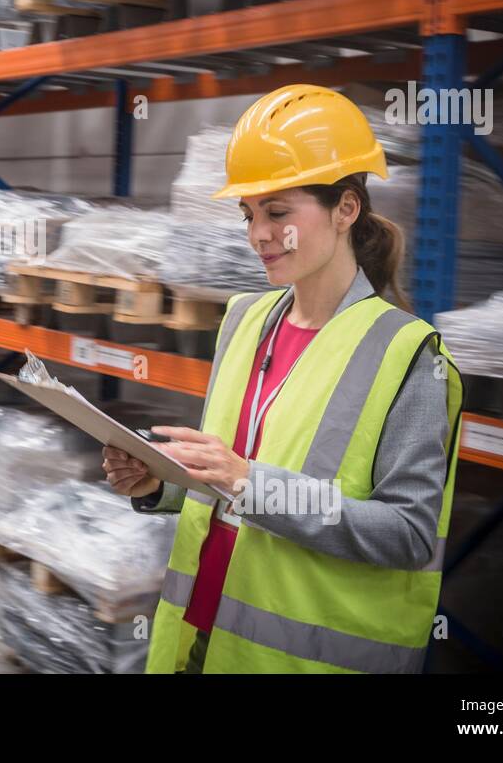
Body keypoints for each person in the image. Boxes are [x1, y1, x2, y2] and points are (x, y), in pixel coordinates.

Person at [104, 85, 463, 674]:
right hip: (195, 638)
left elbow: (408, 534)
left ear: (346, 209)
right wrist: (158, 483)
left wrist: (253, 484)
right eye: (249, 214)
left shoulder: (409, 355)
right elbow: (225, 478)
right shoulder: (244, 321)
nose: (257, 235)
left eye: (278, 213)